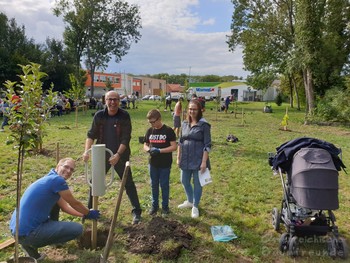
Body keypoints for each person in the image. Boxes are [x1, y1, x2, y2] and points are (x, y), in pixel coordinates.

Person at [9, 158, 100, 261]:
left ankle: (34, 254)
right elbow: (74, 203)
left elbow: (65, 207)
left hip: (16, 231)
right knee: (77, 229)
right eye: (66, 166)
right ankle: (42, 241)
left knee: (33, 225)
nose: (68, 171)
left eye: (72, 169)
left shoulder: (49, 179)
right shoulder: (57, 181)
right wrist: (88, 212)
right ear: (58, 166)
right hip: (29, 233)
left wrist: (84, 215)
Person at [83, 90, 142, 224]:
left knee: (128, 183)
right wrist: (86, 151)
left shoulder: (124, 116)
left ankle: (136, 212)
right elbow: (91, 135)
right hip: (101, 154)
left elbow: (126, 139)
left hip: (120, 155)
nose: (112, 102)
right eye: (110, 99)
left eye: (115, 99)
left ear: (119, 101)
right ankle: (89, 211)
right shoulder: (99, 116)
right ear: (105, 100)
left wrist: (118, 155)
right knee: (95, 182)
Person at [177, 99, 211, 218]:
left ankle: (195, 206)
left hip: (198, 159)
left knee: (197, 183)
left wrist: (203, 162)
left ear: (200, 110)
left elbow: (207, 145)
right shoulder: (184, 124)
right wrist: (178, 157)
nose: (192, 111)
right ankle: (189, 201)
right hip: (185, 158)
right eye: (190, 109)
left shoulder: (204, 125)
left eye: (194, 109)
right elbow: (180, 141)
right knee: (184, 180)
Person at [143, 109, 177, 216]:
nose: (152, 124)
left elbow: (174, 146)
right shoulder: (150, 131)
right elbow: (145, 144)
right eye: (150, 122)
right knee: (154, 185)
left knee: (164, 185)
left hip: (165, 164)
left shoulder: (168, 131)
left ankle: (165, 207)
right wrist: (149, 150)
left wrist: (160, 151)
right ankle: (154, 206)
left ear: (159, 119)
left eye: (153, 122)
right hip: (153, 163)